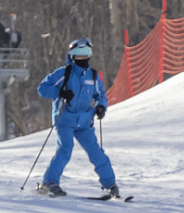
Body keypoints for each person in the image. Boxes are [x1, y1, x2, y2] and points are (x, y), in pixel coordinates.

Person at [35, 38, 122, 199]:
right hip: (65, 120)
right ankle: (49, 182)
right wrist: (60, 92)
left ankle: (110, 184)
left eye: (86, 56)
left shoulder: (93, 76)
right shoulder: (64, 73)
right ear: (72, 57)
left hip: (84, 121)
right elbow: (42, 88)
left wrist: (101, 106)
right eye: (79, 56)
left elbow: (100, 95)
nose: (83, 60)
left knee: (96, 152)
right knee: (65, 148)